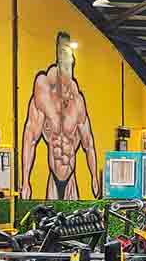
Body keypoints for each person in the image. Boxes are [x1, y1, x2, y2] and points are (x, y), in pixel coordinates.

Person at [20, 32, 99, 199]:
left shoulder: (77, 102)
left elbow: (88, 144)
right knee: (51, 214)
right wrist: (25, 180)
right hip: (53, 175)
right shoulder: (44, 97)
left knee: (74, 215)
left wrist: (94, 177)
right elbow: (30, 139)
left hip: (70, 176)